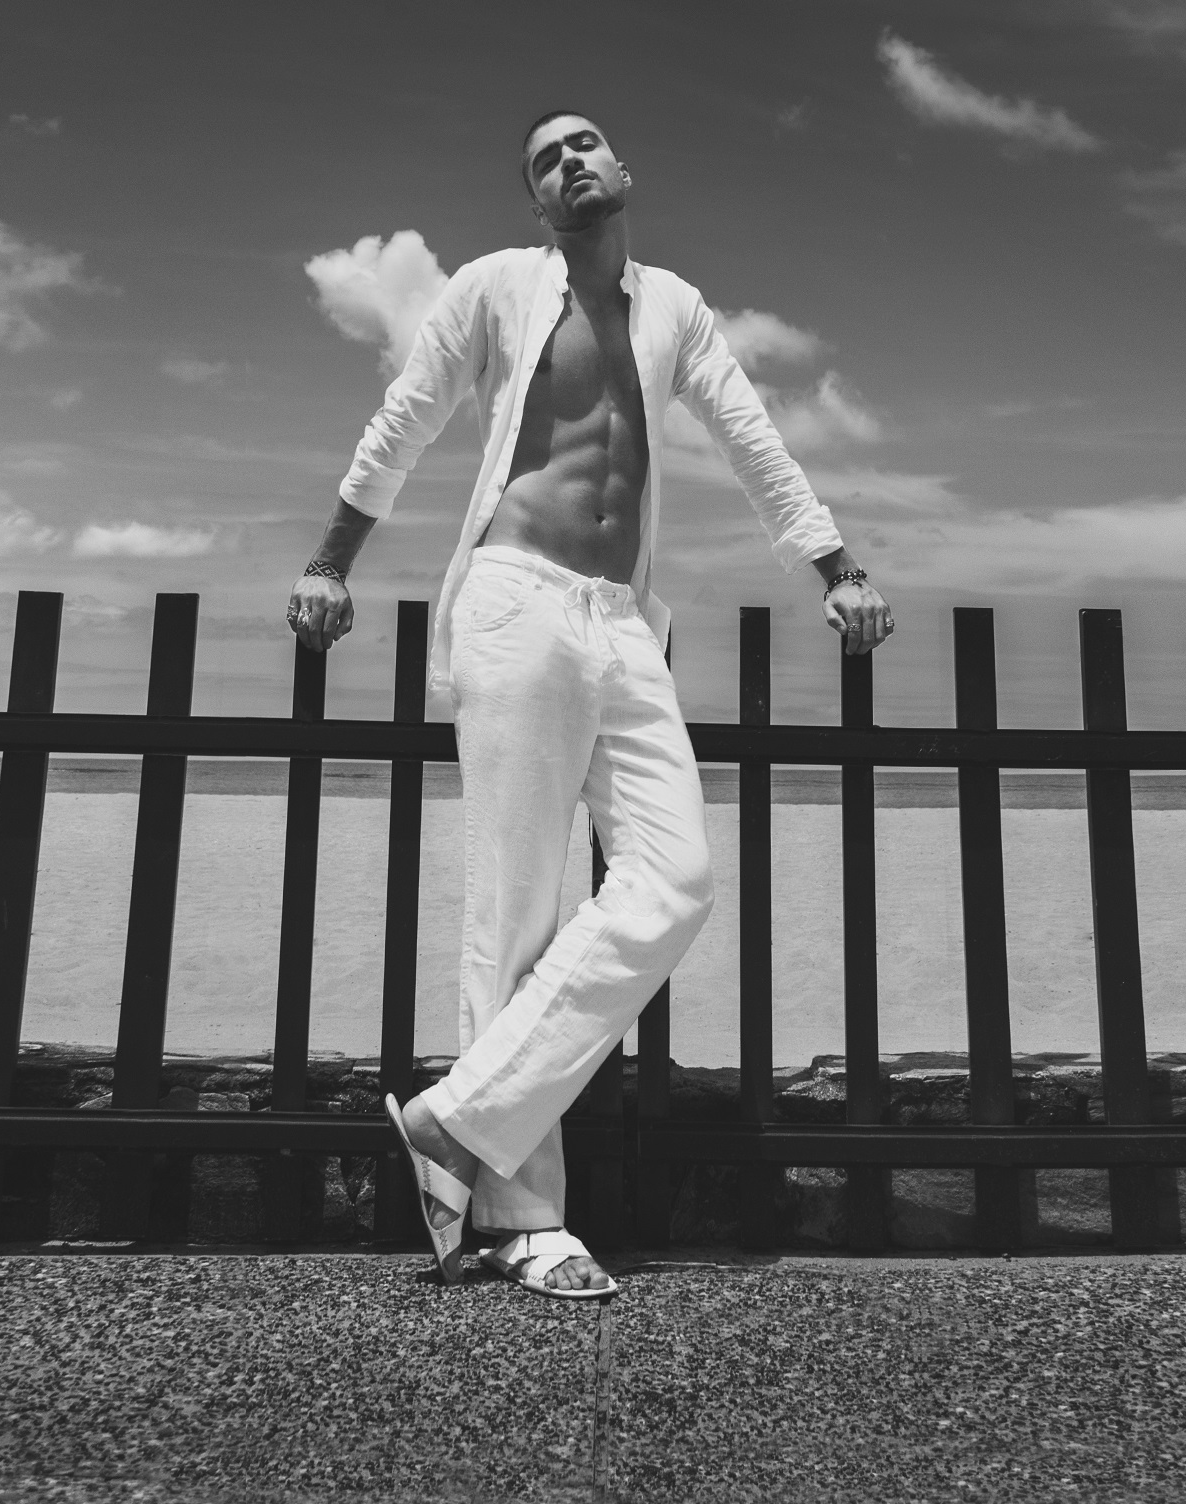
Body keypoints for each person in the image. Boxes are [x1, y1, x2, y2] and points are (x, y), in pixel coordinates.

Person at [286, 111, 893, 1299]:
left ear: (622, 171)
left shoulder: (677, 308)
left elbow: (752, 438)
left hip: (623, 623)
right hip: (517, 598)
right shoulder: (496, 288)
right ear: (537, 203)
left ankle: (454, 1120)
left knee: (675, 880)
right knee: (512, 912)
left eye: (585, 144)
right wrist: (329, 561)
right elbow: (406, 416)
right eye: (545, 160)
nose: (570, 161)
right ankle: (527, 1224)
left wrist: (835, 566)